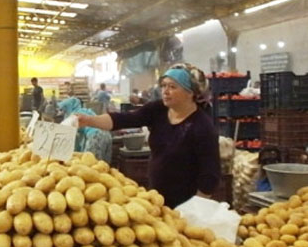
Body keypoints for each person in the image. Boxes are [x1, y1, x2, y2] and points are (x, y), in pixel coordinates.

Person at [76, 63, 220, 208]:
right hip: (157, 197)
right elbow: (124, 119)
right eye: (164, 86)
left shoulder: (202, 126)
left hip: (186, 203)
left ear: (190, 92)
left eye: (172, 87)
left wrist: (197, 207)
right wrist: (89, 120)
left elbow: (210, 173)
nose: (165, 91)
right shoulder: (158, 109)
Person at [57, 97, 112, 164]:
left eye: (63, 110)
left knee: (91, 165)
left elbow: (73, 139)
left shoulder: (73, 116)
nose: (62, 112)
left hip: (95, 138)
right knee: (103, 165)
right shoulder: (84, 112)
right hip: (106, 134)